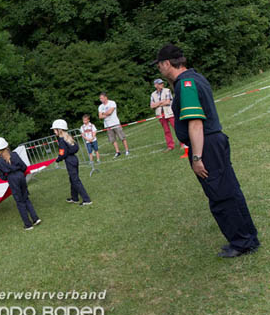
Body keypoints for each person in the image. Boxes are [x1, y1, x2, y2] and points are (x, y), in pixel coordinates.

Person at [153, 43, 260, 258]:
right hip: (214, 141)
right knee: (231, 190)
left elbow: (195, 123)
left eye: (159, 65)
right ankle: (248, 236)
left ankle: (241, 242)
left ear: (167, 63)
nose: (159, 70)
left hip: (206, 144)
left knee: (219, 194)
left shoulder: (186, 84)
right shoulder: (196, 78)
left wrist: (197, 157)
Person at [0, 137, 41, 230]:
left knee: (20, 202)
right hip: (20, 176)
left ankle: (28, 224)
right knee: (26, 198)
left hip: (12, 179)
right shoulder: (14, 154)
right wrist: (20, 173)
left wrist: (6, 176)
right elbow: (23, 166)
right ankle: (35, 218)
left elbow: (2, 176)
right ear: (6, 145)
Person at [52, 120, 92, 206]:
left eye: (55, 130)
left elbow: (63, 153)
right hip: (74, 159)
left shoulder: (62, 140)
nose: (54, 131)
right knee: (72, 179)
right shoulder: (68, 138)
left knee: (75, 180)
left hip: (70, 161)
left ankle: (87, 199)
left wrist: (58, 159)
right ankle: (74, 198)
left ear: (59, 130)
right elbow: (75, 148)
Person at [150, 78, 185, 152]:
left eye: (162, 83)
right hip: (160, 115)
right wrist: (161, 102)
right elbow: (152, 106)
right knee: (166, 131)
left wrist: (157, 104)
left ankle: (183, 143)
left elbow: (168, 102)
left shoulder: (167, 91)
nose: (162, 84)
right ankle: (170, 146)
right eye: (159, 83)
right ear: (155, 85)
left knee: (176, 128)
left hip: (169, 113)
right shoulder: (153, 94)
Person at [98, 92, 129, 158]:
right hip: (107, 125)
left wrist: (103, 113)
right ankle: (117, 152)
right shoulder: (100, 107)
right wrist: (105, 114)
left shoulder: (112, 103)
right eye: (100, 98)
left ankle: (127, 150)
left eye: (102, 98)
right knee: (113, 139)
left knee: (122, 137)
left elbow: (110, 112)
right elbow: (100, 116)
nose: (101, 100)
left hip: (115, 123)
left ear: (105, 97)